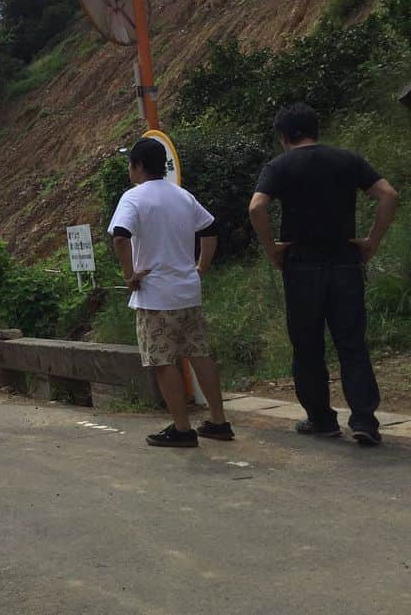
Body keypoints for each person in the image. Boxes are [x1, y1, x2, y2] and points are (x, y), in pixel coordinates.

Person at [250, 103, 398, 445]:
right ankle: (364, 421)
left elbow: (257, 206)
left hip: (301, 265)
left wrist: (273, 247)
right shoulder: (348, 159)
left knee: (307, 346)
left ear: (284, 136)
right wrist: (371, 242)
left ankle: (321, 419)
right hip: (345, 262)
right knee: (352, 344)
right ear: (316, 130)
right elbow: (388, 195)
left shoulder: (280, 165)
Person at [108, 139, 233, 448]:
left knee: (164, 362)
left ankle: (182, 428)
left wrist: (129, 275)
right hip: (188, 292)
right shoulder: (183, 196)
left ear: (137, 166)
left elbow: (121, 237)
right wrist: (200, 268)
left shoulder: (133, 197)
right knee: (200, 354)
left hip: (155, 296)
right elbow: (211, 229)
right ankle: (219, 421)